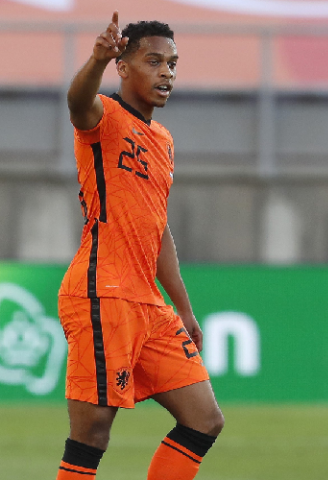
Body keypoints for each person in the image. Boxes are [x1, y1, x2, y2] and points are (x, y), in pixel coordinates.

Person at [55, 12, 224, 480]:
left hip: (149, 304)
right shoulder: (103, 117)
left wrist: (182, 307)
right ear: (123, 67)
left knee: (204, 419)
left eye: (172, 64)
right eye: (154, 61)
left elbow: (157, 227)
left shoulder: (162, 140)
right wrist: (95, 59)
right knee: (91, 435)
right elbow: (76, 102)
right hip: (102, 293)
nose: (166, 72)